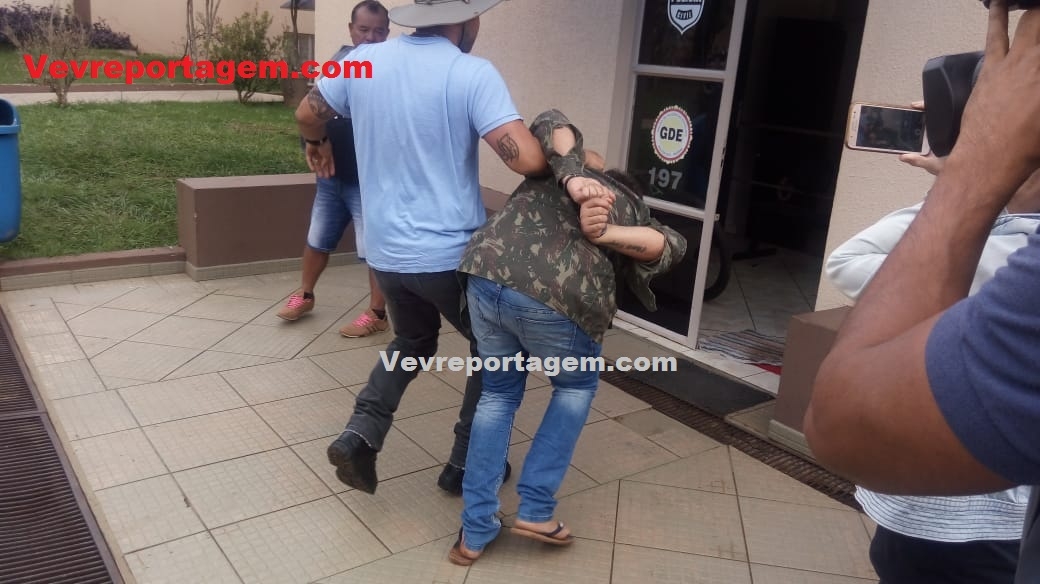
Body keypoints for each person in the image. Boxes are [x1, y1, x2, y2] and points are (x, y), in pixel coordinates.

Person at [804, 2, 1040, 581]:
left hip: (983, 539)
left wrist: (977, 171)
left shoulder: (1012, 243)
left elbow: (839, 425)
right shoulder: (1003, 228)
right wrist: (974, 181)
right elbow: (848, 261)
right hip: (924, 518)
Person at [294, 0, 549, 495]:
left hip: (385, 253)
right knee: (498, 351)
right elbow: (525, 159)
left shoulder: (361, 61)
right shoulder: (471, 72)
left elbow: (307, 113)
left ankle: (360, 435)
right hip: (447, 258)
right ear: (466, 19)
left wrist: (316, 143)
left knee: (412, 342)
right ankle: (466, 463)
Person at [448, 110, 687, 565]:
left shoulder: (557, 169)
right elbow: (672, 244)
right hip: (558, 297)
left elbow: (552, 120)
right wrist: (608, 230)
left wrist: (577, 176)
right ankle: (536, 509)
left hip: (486, 275)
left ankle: (474, 532)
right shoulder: (623, 200)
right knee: (574, 387)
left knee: (497, 396)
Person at [826, 150, 1040, 583]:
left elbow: (853, 263)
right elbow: (846, 261)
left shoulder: (1017, 254)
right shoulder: (996, 228)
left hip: (986, 524)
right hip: (920, 505)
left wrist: (966, 185)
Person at [277, 0, 390, 339]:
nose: (370, 37)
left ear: (388, 33)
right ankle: (305, 295)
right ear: (351, 29)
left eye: (379, 31)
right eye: (363, 29)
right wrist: (313, 144)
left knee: (373, 252)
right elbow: (311, 114)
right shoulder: (338, 63)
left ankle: (377, 314)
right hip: (331, 178)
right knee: (317, 239)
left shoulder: (390, 70)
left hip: (367, 183)